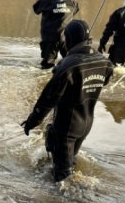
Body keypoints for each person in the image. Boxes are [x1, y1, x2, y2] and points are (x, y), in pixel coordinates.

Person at [20, 20, 113, 182]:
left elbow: (48, 98)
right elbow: (104, 81)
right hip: (86, 124)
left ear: (69, 39)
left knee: (63, 178)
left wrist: (32, 121)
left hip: (66, 127)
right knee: (69, 164)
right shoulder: (104, 62)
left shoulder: (68, 66)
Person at [32, 0, 80, 69]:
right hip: (66, 38)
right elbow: (75, 11)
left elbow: (35, 9)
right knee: (70, 64)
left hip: (50, 38)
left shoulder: (46, 0)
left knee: (47, 66)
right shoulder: (72, 1)